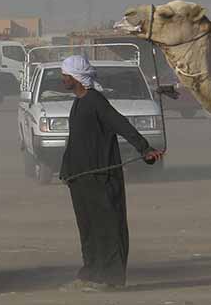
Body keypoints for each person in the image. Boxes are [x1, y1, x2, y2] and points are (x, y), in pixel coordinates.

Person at [58, 55, 163, 290]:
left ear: (76, 77)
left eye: (65, 75)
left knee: (108, 226)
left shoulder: (95, 100)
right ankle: (91, 273)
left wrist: (144, 148)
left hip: (101, 175)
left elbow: (121, 124)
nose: (62, 78)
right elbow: (75, 141)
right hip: (81, 178)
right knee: (88, 227)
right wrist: (67, 170)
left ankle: (111, 277)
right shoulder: (78, 101)